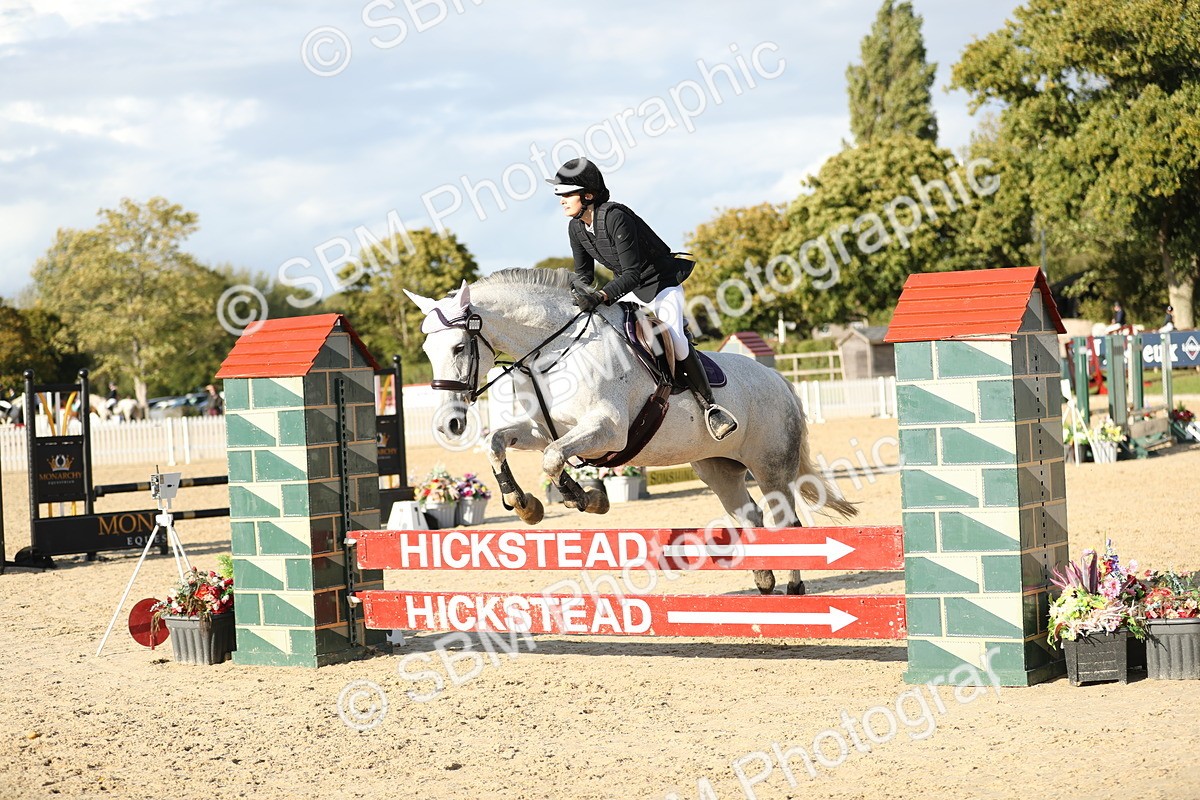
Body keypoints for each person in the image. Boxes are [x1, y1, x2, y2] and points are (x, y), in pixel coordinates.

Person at [547, 157, 738, 441]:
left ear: (588, 195)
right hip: (627, 291)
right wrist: (577, 297)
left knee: (675, 339)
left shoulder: (615, 216)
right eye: (560, 194)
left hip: (658, 285)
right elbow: (584, 275)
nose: (561, 199)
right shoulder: (576, 228)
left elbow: (632, 273)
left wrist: (601, 295)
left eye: (566, 193)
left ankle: (711, 406)